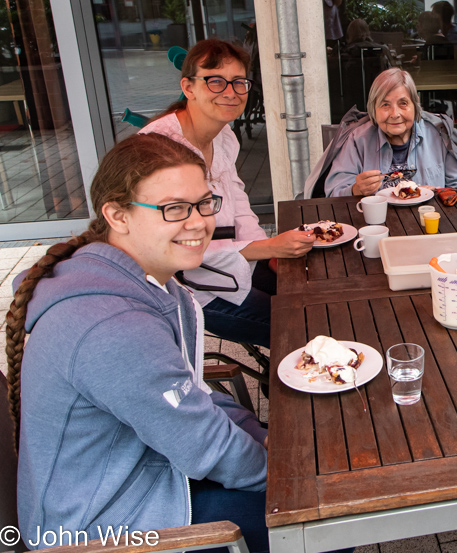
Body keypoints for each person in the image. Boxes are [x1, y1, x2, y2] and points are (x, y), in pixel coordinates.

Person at [7, 133, 270, 552]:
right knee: (327, 519)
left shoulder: (144, 283)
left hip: (142, 479)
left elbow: (190, 397)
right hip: (101, 531)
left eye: (204, 203)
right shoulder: (111, 325)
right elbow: (205, 445)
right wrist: (290, 473)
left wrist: (259, 434)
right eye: (174, 209)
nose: (198, 221)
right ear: (117, 215)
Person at [142, 38, 315, 348]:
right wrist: (265, 249)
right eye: (216, 81)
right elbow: (171, 249)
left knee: (312, 299)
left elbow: (237, 201)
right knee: (297, 327)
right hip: (187, 290)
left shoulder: (222, 135)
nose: (231, 93)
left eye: (239, 82)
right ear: (188, 87)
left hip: (231, 265)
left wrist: (265, 246)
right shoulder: (160, 150)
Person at [305, 67, 457, 198]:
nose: (395, 114)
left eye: (403, 103)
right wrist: (356, 189)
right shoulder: (357, 139)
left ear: (415, 107)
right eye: (385, 105)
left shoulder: (438, 134)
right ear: (373, 109)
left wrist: (436, 192)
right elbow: (334, 192)